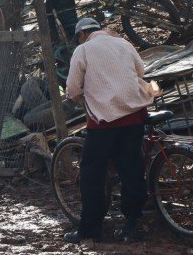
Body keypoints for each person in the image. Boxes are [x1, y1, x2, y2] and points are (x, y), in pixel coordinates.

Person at [63, 18, 155, 243]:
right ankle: (132, 225)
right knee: (132, 171)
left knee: (91, 176)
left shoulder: (83, 50)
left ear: (82, 34)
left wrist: (80, 99)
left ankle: (90, 229)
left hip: (103, 121)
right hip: (133, 116)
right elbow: (140, 71)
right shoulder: (124, 44)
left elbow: (73, 88)